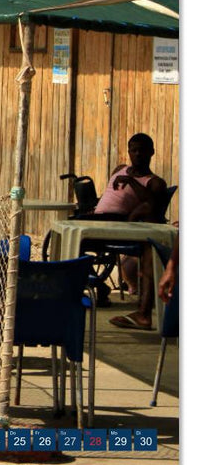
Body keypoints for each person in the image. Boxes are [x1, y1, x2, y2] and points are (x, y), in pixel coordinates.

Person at [98, 133, 169, 329]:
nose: (137, 154)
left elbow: (154, 207)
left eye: (142, 151)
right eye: (133, 150)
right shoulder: (120, 169)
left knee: (149, 249)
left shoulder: (154, 182)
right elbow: (110, 195)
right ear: (128, 151)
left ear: (151, 153)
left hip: (119, 225)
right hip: (97, 219)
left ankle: (143, 313)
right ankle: (95, 287)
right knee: (63, 231)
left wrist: (131, 182)